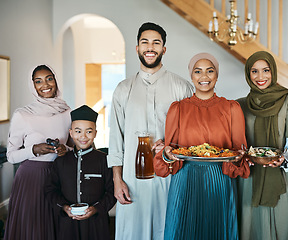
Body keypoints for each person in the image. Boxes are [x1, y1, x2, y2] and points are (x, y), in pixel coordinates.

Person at [107, 22, 193, 240]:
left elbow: (192, 134)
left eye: (156, 42)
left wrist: (171, 145)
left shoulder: (182, 87)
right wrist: (117, 180)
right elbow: (116, 138)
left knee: (170, 227)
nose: (150, 47)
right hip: (131, 178)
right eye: (145, 42)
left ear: (164, 49)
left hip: (172, 174)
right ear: (137, 48)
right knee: (133, 231)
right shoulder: (123, 89)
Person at [153, 52, 250, 240]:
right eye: (198, 71)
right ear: (191, 75)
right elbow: (167, 159)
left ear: (217, 75)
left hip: (219, 181)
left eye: (210, 71)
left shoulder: (232, 108)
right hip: (184, 180)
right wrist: (166, 155)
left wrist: (238, 158)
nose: (204, 77)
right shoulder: (178, 108)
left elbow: (240, 157)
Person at [236, 51, 288, 240]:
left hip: (279, 177)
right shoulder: (240, 105)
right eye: (254, 71)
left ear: (273, 72)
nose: (261, 77)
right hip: (249, 179)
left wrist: (284, 160)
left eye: (266, 70)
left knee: (281, 228)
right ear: (248, 75)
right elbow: (235, 142)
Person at [5, 65, 71, 240]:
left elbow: (75, 147)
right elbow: (11, 156)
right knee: (33, 228)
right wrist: (33, 150)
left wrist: (67, 149)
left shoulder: (67, 112)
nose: (45, 85)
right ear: (32, 85)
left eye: (49, 78)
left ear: (56, 80)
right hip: (31, 179)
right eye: (38, 81)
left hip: (59, 176)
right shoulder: (23, 115)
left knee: (58, 226)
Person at [45, 105, 116, 240]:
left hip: (97, 223)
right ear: (71, 133)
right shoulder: (60, 162)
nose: (83, 136)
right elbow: (50, 190)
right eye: (78, 131)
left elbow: (112, 191)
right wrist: (64, 207)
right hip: (67, 224)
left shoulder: (104, 160)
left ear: (95, 133)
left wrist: (96, 209)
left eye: (89, 132)